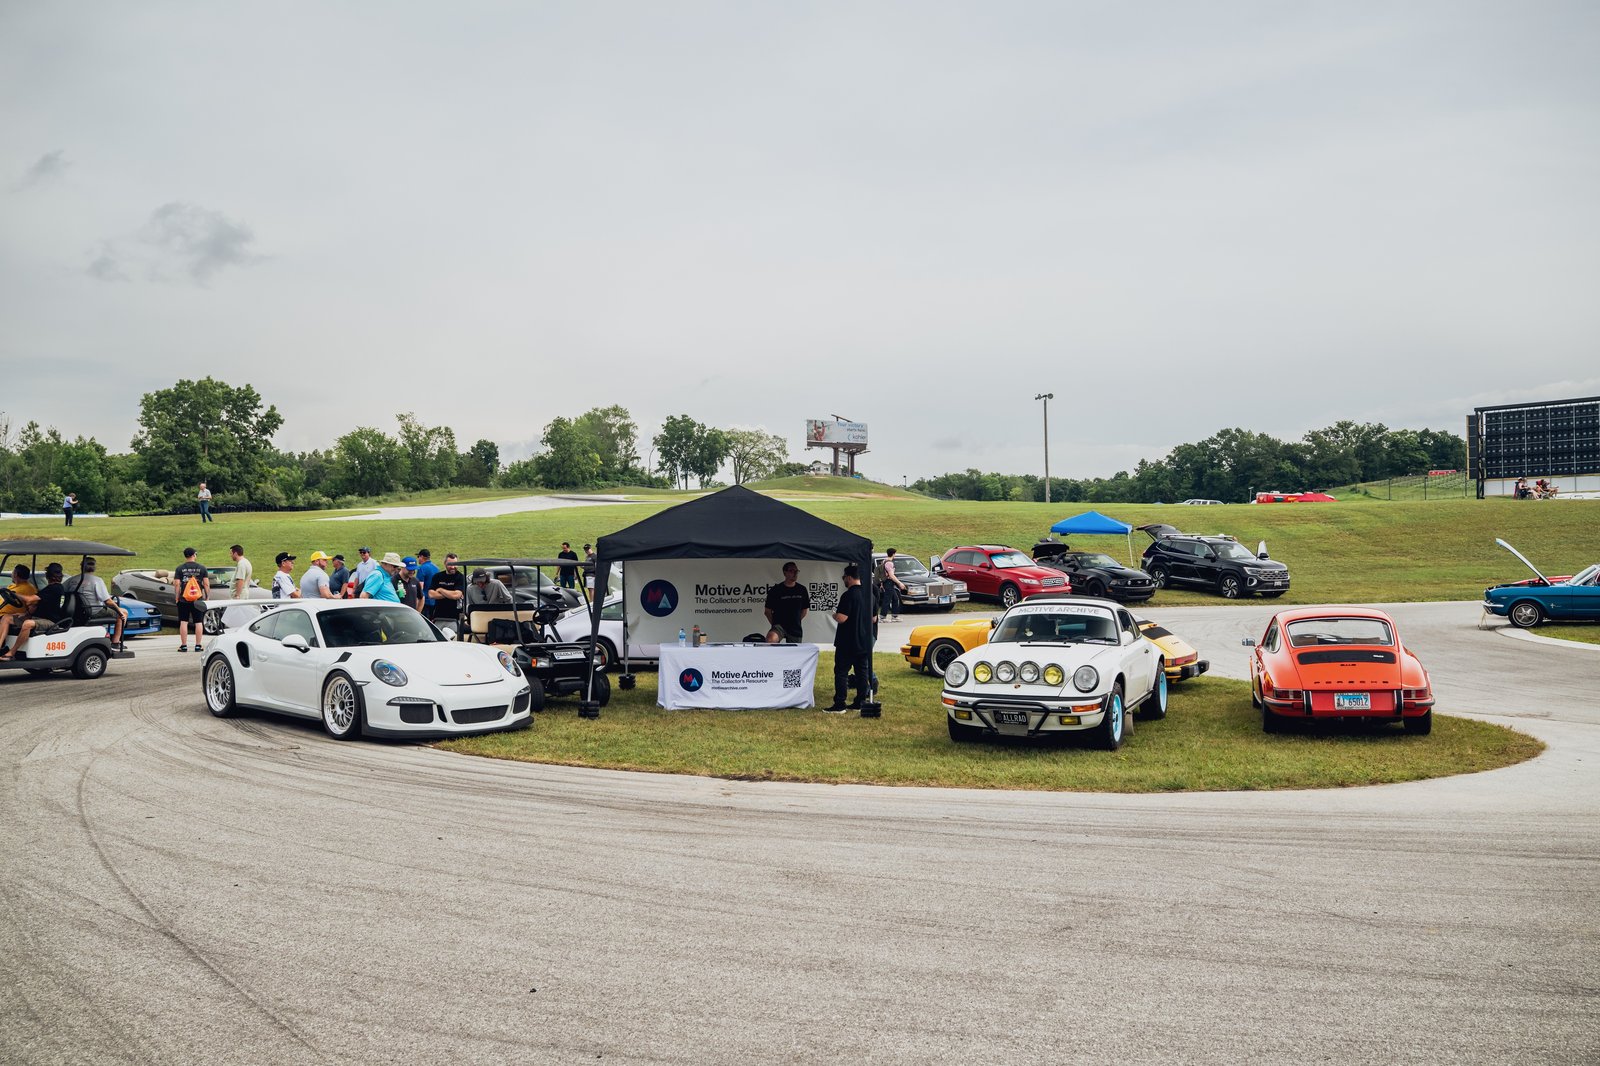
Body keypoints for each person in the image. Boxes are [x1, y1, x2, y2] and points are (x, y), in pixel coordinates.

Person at [827, 563, 876, 714]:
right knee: (862, 672)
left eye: (843, 578)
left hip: (847, 642)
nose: (843, 580)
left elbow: (842, 618)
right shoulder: (870, 595)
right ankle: (860, 702)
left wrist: (834, 614)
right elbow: (874, 619)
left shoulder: (848, 595)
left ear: (849, 577)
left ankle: (840, 704)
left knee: (841, 672)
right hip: (864, 642)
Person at [0, 563, 67, 661]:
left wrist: (15, 595)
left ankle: (11, 653)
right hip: (38, 618)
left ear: (47, 575)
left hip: (51, 621)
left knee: (27, 624)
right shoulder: (50, 589)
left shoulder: (55, 588)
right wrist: (25, 614)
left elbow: (30, 600)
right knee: (7, 618)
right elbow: (37, 605)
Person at [64, 558, 126, 649]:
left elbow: (62, 591)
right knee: (124, 612)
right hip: (94, 611)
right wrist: (119, 612)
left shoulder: (71, 580)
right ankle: (116, 642)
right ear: (94, 567)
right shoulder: (97, 580)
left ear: (81, 566)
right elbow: (108, 601)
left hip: (77, 612)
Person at [173, 547, 211, 652]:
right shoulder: (202, 568)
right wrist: (207, 597)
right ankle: (198, 645)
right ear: (194, 555)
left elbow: (177, 584)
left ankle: (184, 645)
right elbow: (206, 584)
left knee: (183, 622)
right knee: (198, 622)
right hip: (198, 599)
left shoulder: (179, 568)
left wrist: (177, 597)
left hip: (183, 599)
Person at [764, 562, 810, 644]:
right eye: (792, 571)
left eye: (797, 571)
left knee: (795, 654)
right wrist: (775, 623)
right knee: (771, 639)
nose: (795, 573)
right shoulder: (775, 590)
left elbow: (804, 610)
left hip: (795, 628)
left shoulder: (802, 589)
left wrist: (795, 620)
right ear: (785, 573)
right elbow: (767, 611)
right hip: (779, 626)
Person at [0, 564, 41, 657]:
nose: (12, 574)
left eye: (13, 572)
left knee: (5, 618)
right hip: (3, 613)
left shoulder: (29, 588)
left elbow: (33, 606)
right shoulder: (13, 586)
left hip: (11, 615)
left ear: (16, 574)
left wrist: (25, 614)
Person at [428, 552, 466, 625]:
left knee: (454, 636)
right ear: (445, 563)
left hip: (455, 618)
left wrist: (441, 590)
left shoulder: (460, 577)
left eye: (455, 564)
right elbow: (431, 594)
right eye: (450, 564)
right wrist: (450, 594)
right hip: (438, 617)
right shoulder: (437, 576)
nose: (452, 567)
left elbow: (456, 596)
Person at [877, 548, 908, 622]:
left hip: (886, 582)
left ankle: (894, 616)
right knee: (887, 599)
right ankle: (882, 617)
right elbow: (891, 575)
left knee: (895, 598)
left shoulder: (884, 561)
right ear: (893, 554)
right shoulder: (889, 563)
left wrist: (881, 583)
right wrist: (899, 583)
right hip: (889, 582)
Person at [415, 548, 439, 613]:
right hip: (435, 600)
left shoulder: (422, 568)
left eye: (418, 556)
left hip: (425, 602)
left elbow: (420, 587)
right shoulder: (436, 568)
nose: (418, 559)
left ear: (422, 557)